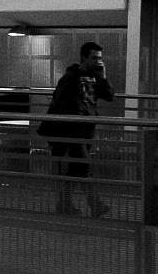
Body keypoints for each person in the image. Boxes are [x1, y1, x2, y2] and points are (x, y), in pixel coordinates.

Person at [42, 41, 117, 216]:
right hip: (73, 130)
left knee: (75, 169)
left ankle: (64, 204)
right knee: (83, 166)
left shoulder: (96, 76)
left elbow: (110, 96)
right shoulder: (71, 77)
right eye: (94, 58)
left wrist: (103, 77)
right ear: (84, 57)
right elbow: (58, 101)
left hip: (87, 129)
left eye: (100, 58)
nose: (98, 61)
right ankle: (95, 204)